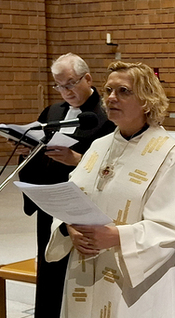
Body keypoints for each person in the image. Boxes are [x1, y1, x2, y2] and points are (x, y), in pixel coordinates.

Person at [44, 61, 175, 317]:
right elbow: (72, 196)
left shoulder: (168, 153)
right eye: (109, 90)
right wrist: (68, 228)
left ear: (147, 100)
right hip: (87, 268)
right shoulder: (98, 147)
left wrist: (117, 237)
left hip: (135, 281)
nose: (111, 98)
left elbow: (172, 227)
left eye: (123, 91)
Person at [11, 53, 115, 318]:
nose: (65, 91)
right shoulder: (54, 111)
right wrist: (26, 150)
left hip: (81, 201)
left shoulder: (105, 114)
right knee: (48, 263)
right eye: (59, 85)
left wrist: (77, 160)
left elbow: (112, 159)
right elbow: (40, 145)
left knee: (74, 267)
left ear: (87, 78)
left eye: (70, 84)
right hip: (49, 198)